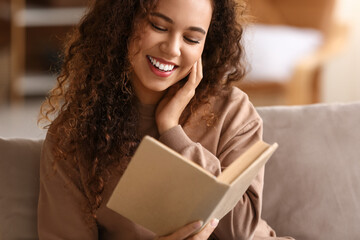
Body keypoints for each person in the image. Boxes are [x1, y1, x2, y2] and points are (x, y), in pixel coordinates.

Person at [37, 0, 294, 239]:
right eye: (158, 26)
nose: (172, 49)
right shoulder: (73, 136)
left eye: (192, 39)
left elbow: (240, 229)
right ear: (123, 21)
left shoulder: (232, 110)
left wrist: (172, 131)